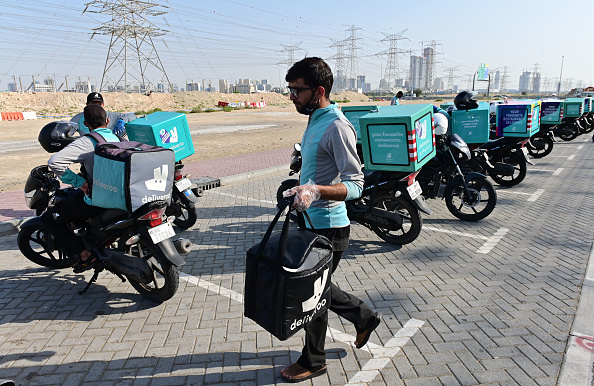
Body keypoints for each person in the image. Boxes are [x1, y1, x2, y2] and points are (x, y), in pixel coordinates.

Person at [280, 57, 381, 382]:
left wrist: (317, 192)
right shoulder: (315, 118)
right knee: (315, 290)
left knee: (312, 294)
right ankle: (363, 317)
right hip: (310, 223)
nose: (292, 96)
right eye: (290, 89)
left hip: (330, 228)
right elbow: (316, 172)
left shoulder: (337, 126)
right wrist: (301, 188)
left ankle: (314, 360)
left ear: (318, 90)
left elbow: (355, 184)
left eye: (297, 90)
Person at [41, 105, 121, 273]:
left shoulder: (87, 141)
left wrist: (80, 182)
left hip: (98, 199)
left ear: (85, 123)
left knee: (50, 218)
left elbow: (55, 162)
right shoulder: (117, 139)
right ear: (107, 121)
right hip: (121, 195)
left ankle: (86, 255)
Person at [70, 92, 137, 136]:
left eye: (99, 104)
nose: (96, 107)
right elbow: (67, 130)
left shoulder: (112, 116)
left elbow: (134, 116)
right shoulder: (78, 118)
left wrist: (122, 120)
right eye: (93, 104)